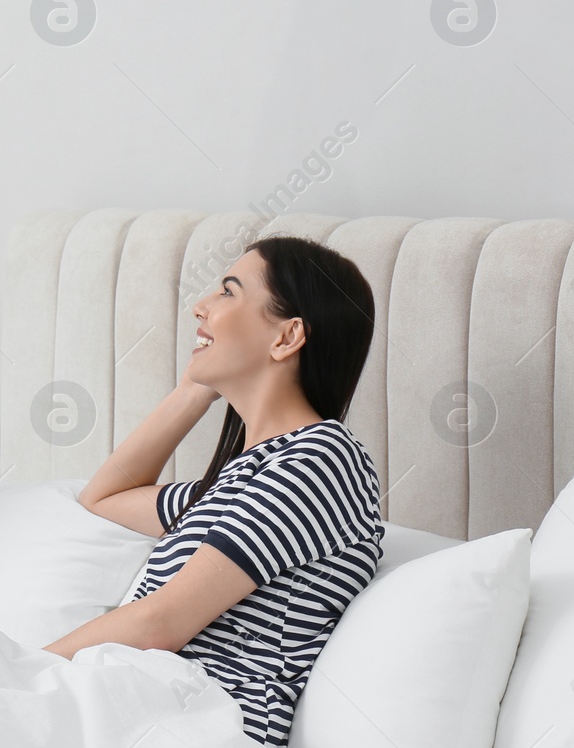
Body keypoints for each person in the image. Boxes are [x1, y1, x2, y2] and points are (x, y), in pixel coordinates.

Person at [50, 235, 383, 747]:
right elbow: (103, 500)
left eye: (228, 292)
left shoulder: (319, 460)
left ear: (288, 335)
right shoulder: (238, 481)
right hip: (137, 706)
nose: (200, 307)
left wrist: (25, 667)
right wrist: (193, 390)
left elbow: (162, 622)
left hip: (191, 721)